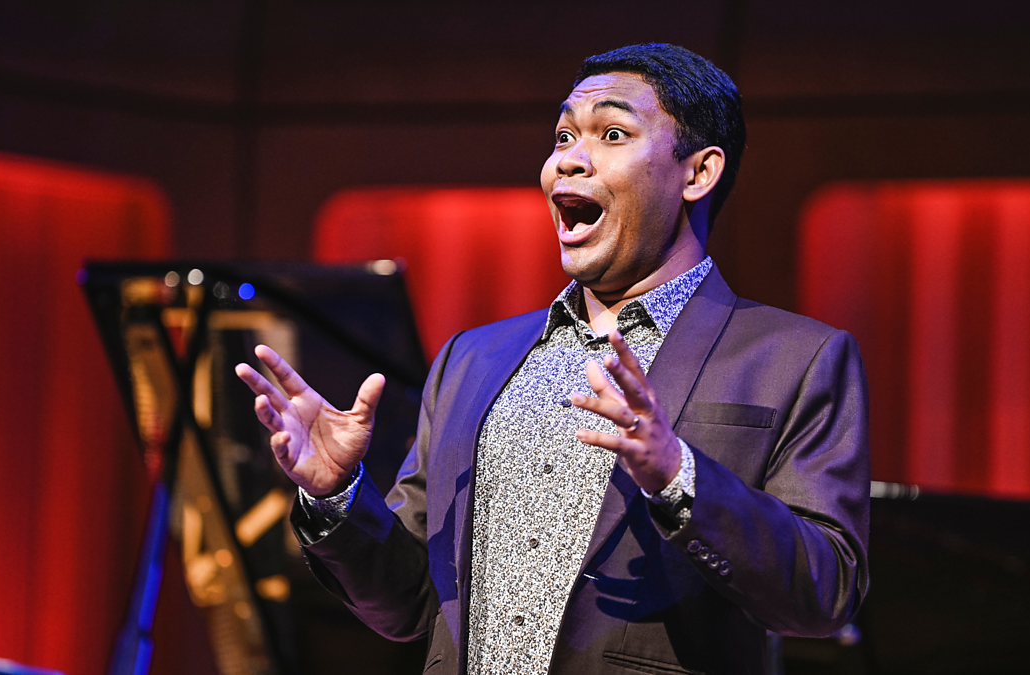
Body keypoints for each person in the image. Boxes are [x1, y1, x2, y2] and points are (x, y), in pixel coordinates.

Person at [236, 43, 869, 675]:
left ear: (698, 173)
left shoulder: (796, 359)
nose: (568, 159)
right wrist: (338, 495)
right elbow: (410, 607)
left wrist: (679, 475)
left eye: (612, 134)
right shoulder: (471, 359)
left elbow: (827, 593)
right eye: (564, 135)